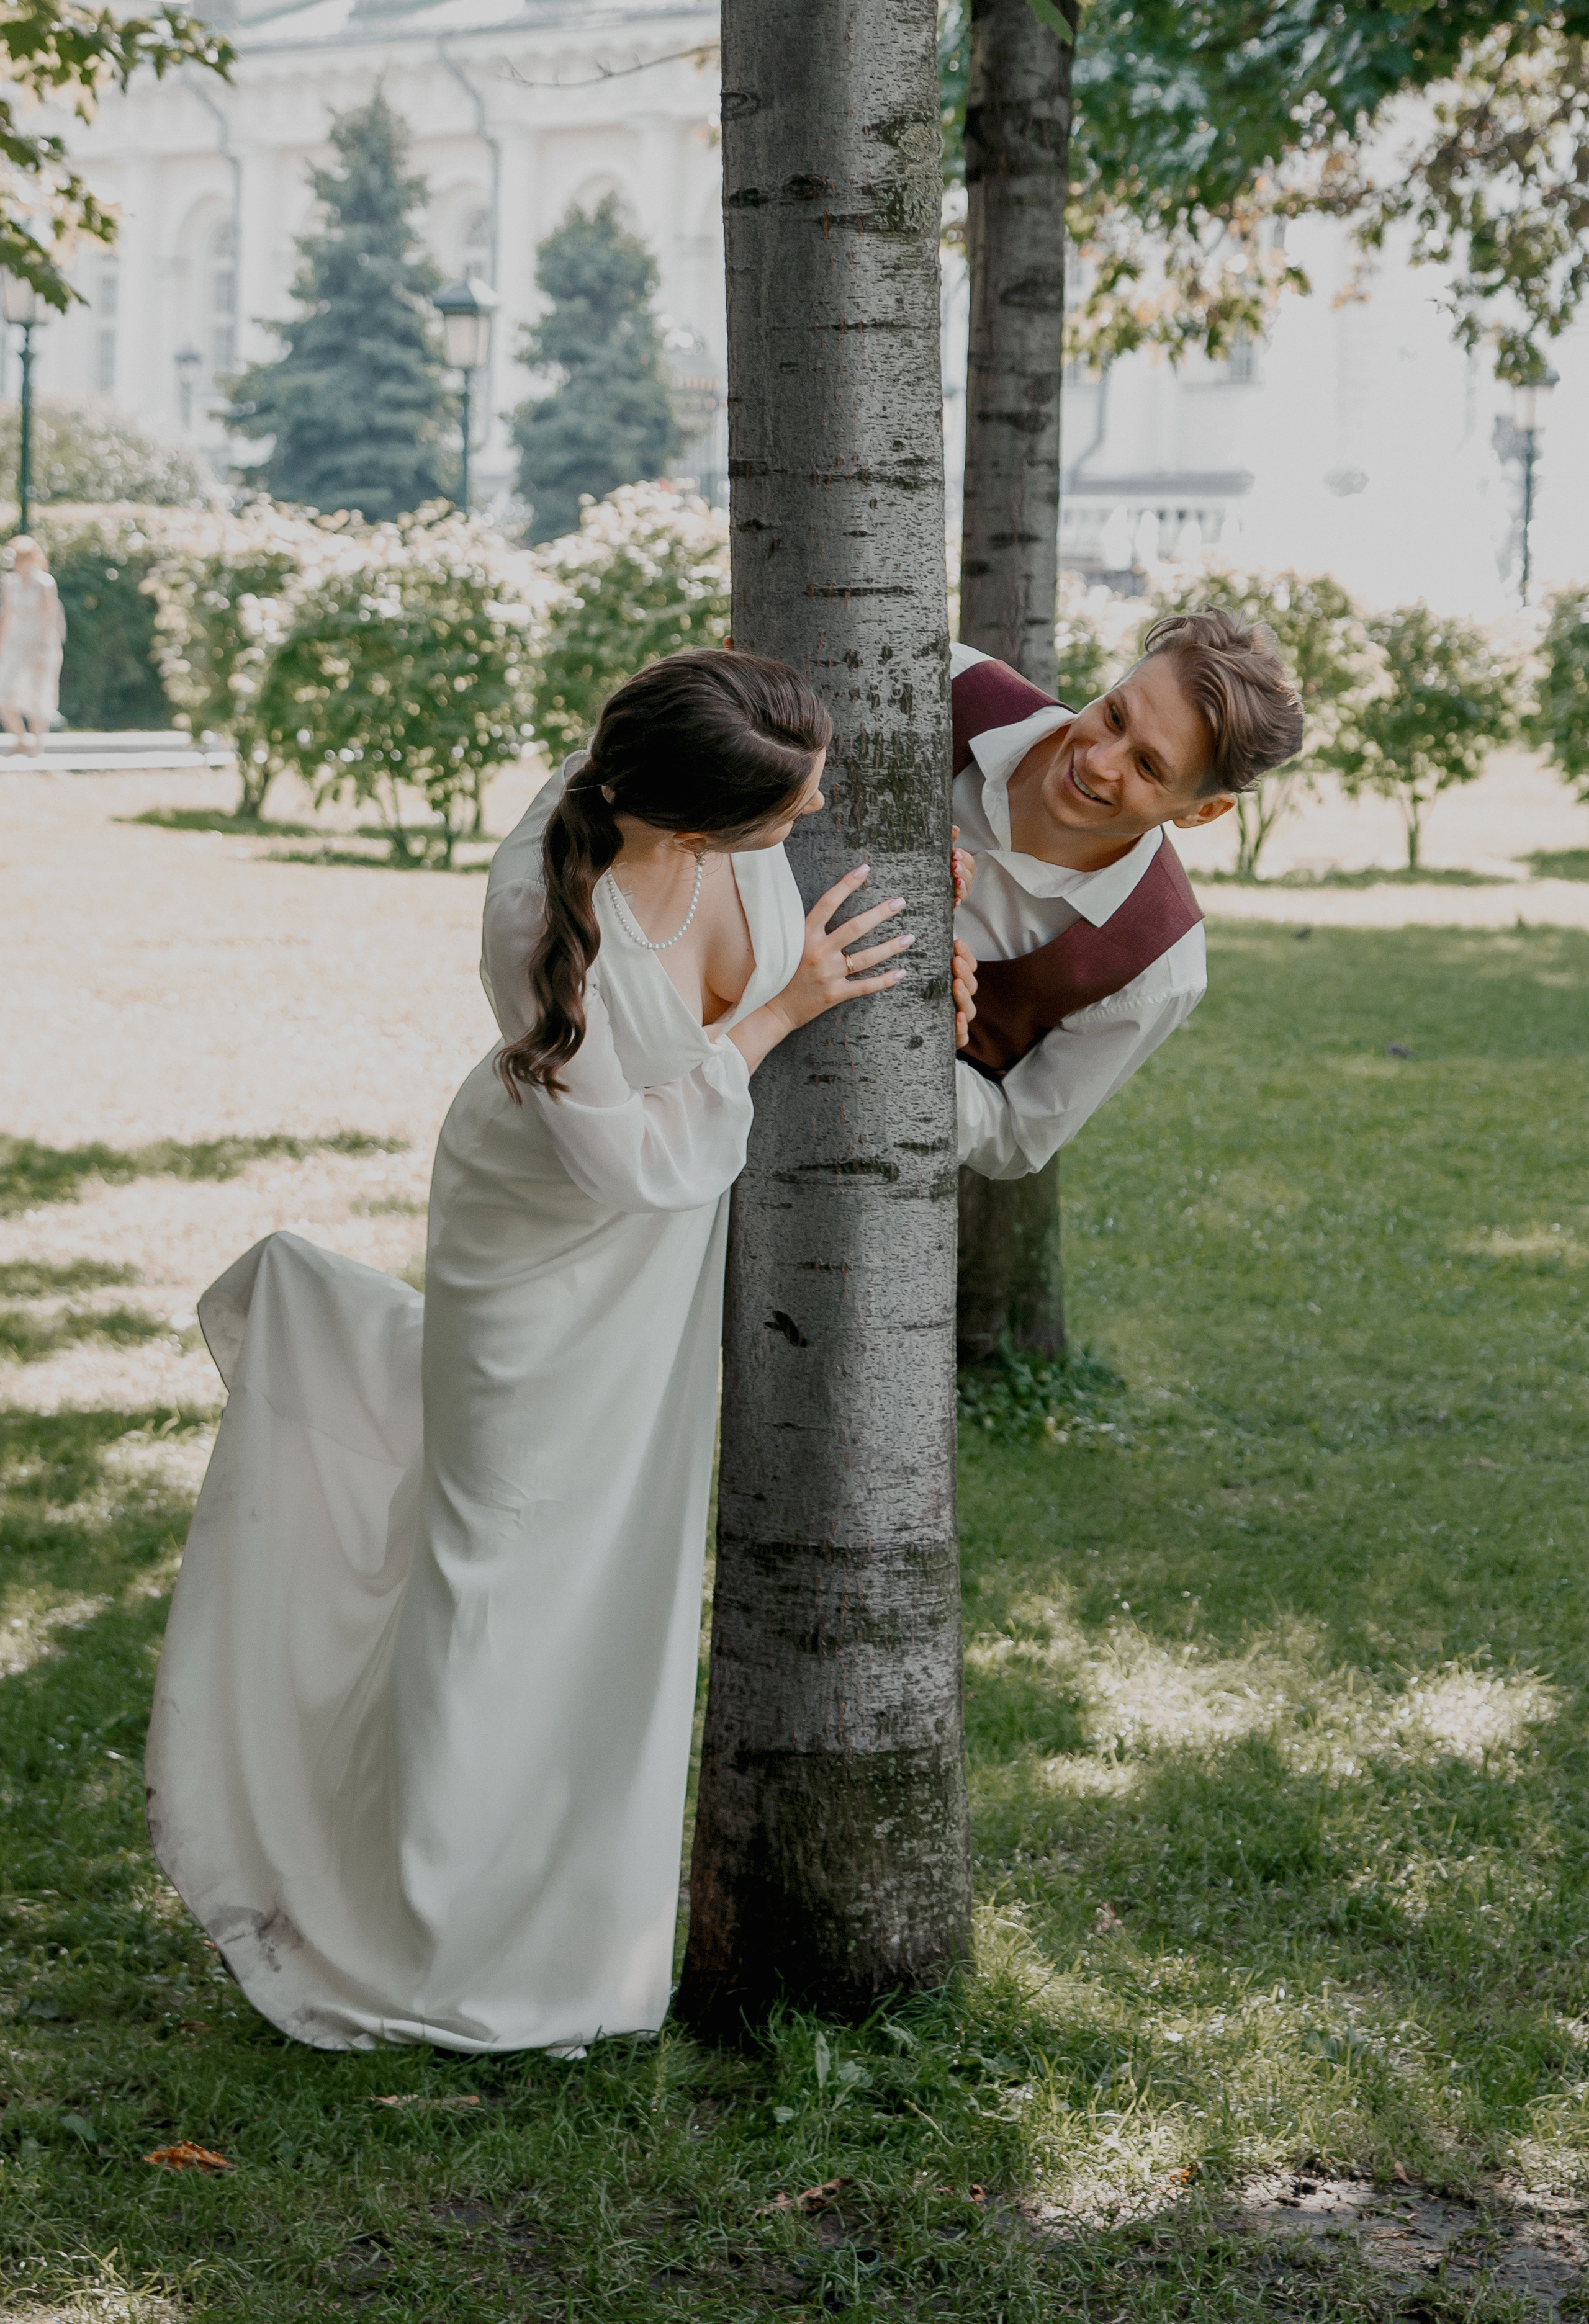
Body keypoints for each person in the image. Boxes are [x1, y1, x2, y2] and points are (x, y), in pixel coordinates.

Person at [146, 650, 920, 2055]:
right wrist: (780, 1009)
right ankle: (431, 1926)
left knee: (618, 1575)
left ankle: (578, 1936)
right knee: (493, 1570)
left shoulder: (699, 770)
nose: (804, 828)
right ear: (688, 827)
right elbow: (623, 1155)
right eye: (781, 819)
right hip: (539, 1238)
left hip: (654, 1257)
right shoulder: (534, 910)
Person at [951, 609, 1305, 1179]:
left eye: (1147, 766)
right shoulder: (947, 681)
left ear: (1202, 812)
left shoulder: (1161, 963)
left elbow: (1016, 1136)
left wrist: (913, 1050)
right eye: (1115, 716)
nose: (1097, 761)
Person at [0, 534, 66, 757]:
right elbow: (7, 617)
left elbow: (49, 619)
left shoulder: (46, 583)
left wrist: (43, 649)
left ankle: (37, 746)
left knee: (39, 694)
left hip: (40, 644)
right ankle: (21, 739)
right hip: (16, 644)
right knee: (5, 694)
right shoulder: (10, 583)